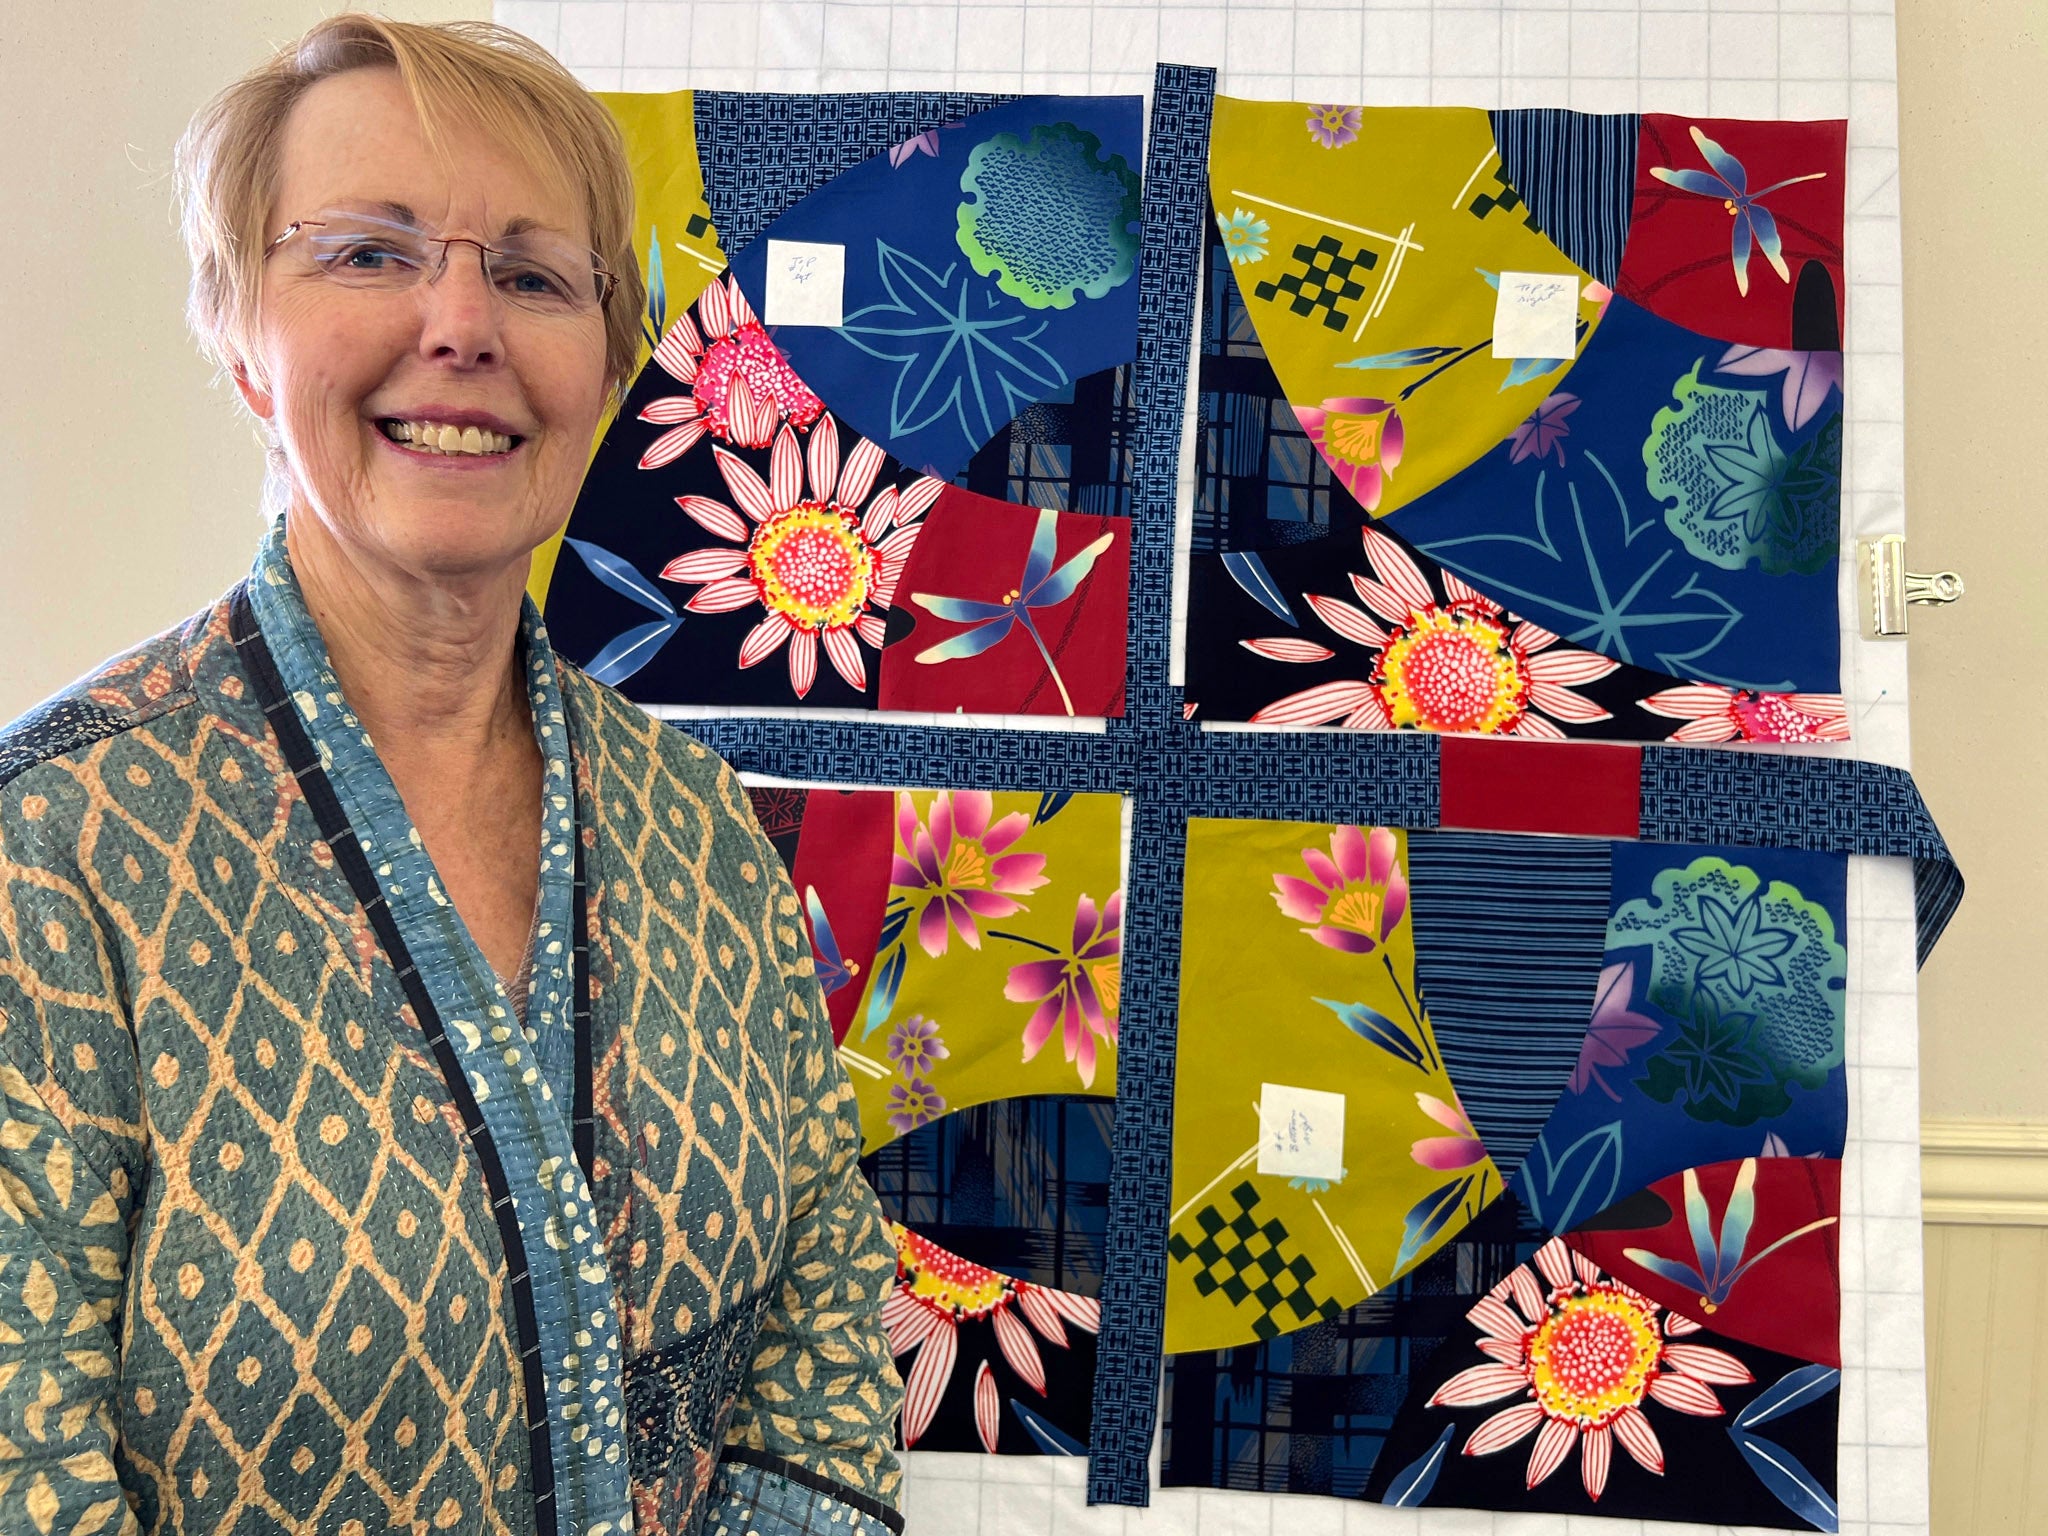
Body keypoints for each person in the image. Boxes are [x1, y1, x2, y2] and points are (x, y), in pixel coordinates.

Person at [0, 17, 905, 1536]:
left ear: (607, 367)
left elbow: (822, 1299)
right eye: (370, 254)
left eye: (538, 277)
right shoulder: (55, 845)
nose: (464, 325)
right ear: (241, 336)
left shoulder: (698, 824)